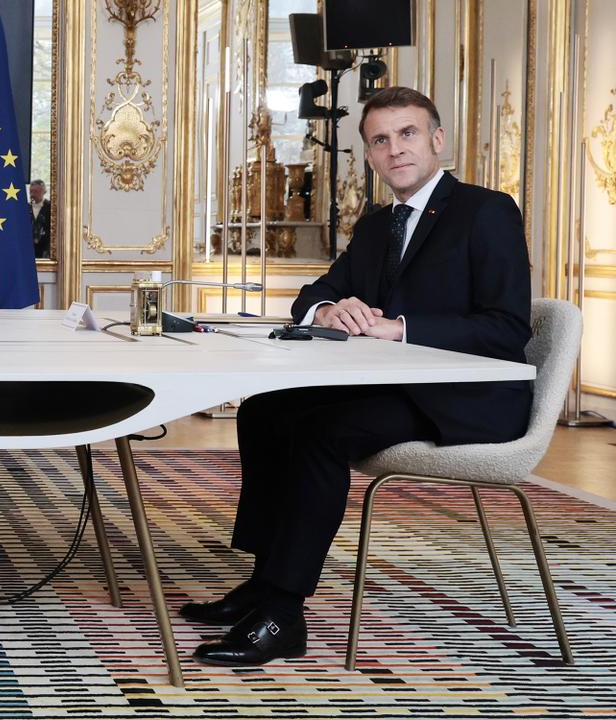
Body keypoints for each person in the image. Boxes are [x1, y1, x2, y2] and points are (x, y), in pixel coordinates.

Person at [184, 86, 533, 667]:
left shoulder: (487, 211)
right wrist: (328, 310)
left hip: (468, 398)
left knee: (323, 432)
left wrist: (400, 328)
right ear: (369, 156)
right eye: (380, 140)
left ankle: (283, 613)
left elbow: (506, 329)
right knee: (265, 410)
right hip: (397, 388)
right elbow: (314, 293)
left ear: (437, 139)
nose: (395, 149)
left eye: (408, 133)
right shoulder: (375, 226)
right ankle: (264, 580)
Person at [29, 180, 52, 259]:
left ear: (44, 192)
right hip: (28, 249)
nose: (32, 194)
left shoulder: (51, 207)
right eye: (31, 191)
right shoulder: (25, 207)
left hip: (45, 251)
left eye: (36, 192)